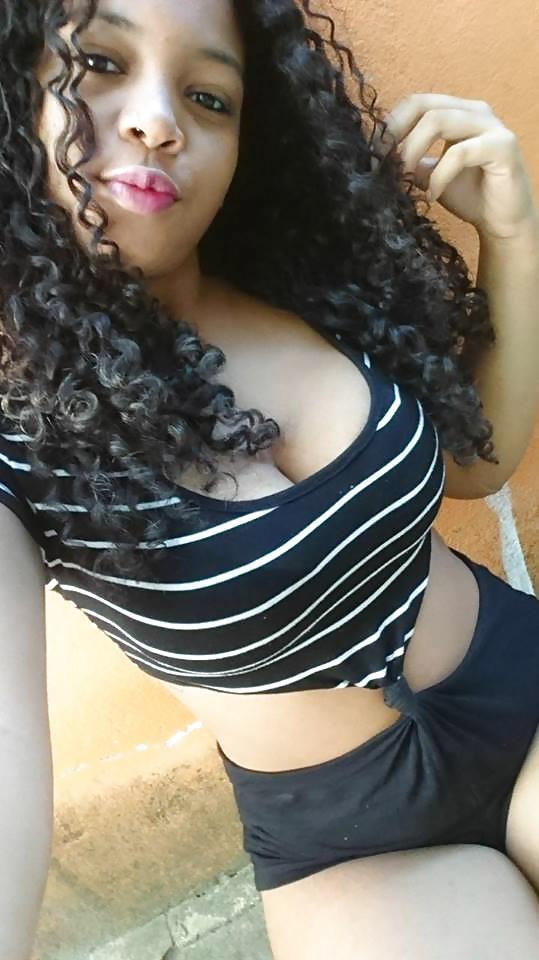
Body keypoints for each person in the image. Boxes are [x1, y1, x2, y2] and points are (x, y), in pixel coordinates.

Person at [0, 0, 538, 957]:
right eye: (100, 63)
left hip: (520, 682)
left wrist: (515, 236)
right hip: (351, 845)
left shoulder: (300, 275)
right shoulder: (16, 436)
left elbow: (476, 463)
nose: (157, 120)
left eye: (208, 96)